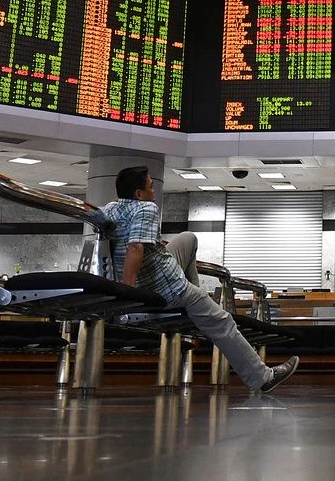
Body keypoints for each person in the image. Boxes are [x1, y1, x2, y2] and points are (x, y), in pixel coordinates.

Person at [100, 166, 298, 393]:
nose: (154, 191)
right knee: (222, 321)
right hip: (165, 287)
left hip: (158, 268)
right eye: (151, 186)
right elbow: (135, 247)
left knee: (189, 238)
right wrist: (128, 293)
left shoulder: (111, 209)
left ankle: (197, 294)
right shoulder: (147, 208)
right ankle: (263, 377)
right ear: (138, 193)